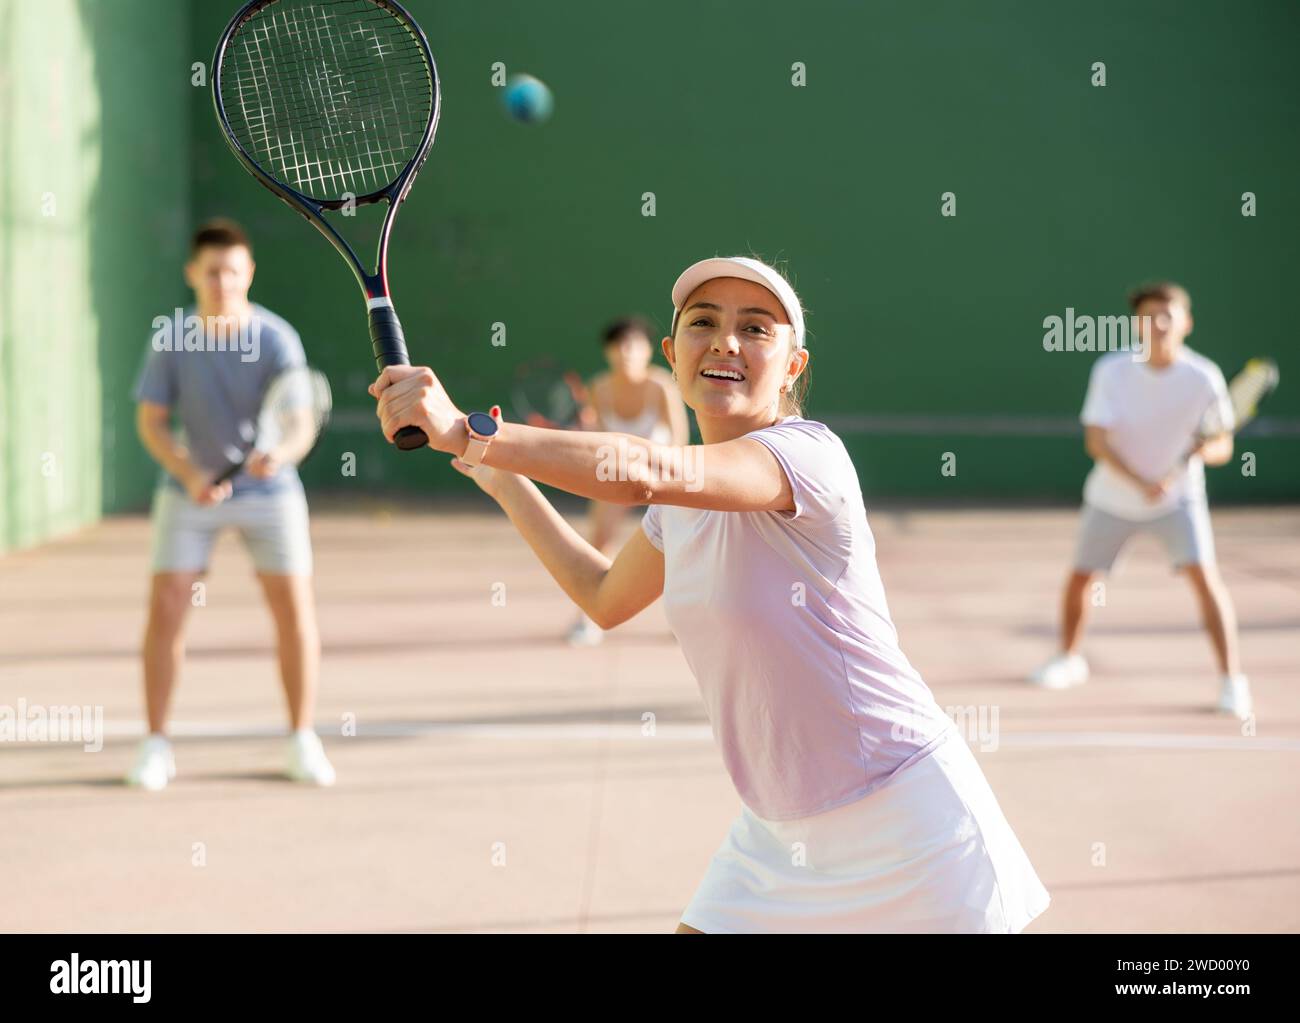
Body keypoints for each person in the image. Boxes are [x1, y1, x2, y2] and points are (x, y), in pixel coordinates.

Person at [369, 255, 1050, 933]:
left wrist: (473, 432)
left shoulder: (809, 457)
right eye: (704, 322)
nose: (726, 340)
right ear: (673, 353)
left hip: (910, 826)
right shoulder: (681, 506)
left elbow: (641, 468)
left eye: (756, 328)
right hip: (775, 840)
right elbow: (601, 594)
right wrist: (502, 478)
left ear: (792, 366)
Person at [127, 219, 335, 790]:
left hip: (269, 492)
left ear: (249, 275)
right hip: (189, 493)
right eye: (212, 271)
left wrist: (281, 455)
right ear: (193, 274)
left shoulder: (275, 338)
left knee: (293, 609)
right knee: (167, 606)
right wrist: (189, 472)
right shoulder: (171, 337)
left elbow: (299, 422)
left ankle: (301, 739)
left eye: (234, 271)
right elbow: (151, 422)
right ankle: (156, 745)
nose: (223, 281)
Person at [1030, 282, 1252, 719]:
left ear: (1186, 323)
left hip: (1180, 501)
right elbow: (1096, 441)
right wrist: (1139, 480)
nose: (1159, 323)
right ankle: (1068, 659)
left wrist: (1200, 453)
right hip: (1111, 498)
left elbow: (1222, 445)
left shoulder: (1204, 376)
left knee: (1206, 580)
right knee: (1081, 577)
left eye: (1169, 315)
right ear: (1138, 323)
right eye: (1150, 315)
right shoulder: (1111, 370)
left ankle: (1232, 682)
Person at [567, 316, 689, 646]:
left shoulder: (662, 385)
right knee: (599, 542)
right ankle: (586, 620)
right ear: (609, 352)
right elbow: (593, 441)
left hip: (662, 477)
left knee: (681, 547)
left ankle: (683, 620)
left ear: (649, 350)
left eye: (634, 346)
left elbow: (679, 437)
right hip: (615, 478)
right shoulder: (598, 388)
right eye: (619, 346)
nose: (627, 353)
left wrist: (672, 483)